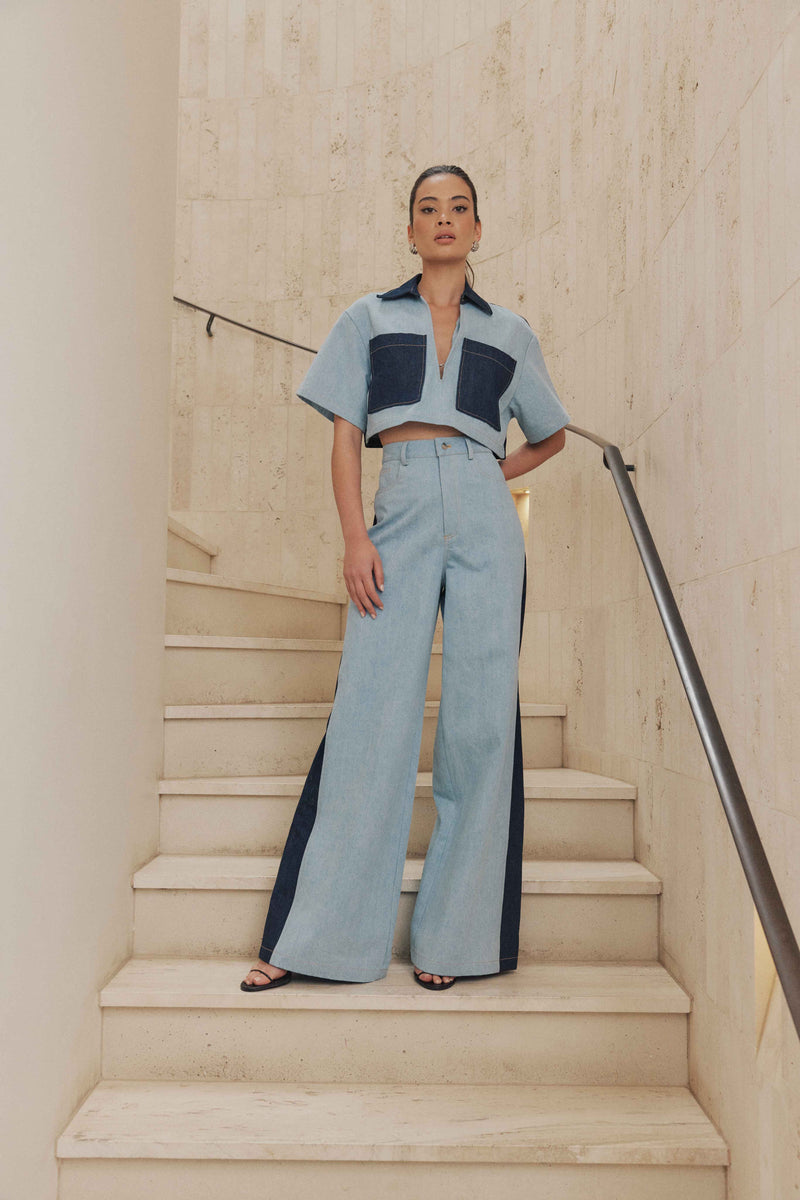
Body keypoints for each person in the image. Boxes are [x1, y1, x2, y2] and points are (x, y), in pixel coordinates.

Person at [241, 164, 569, 994]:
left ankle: (452, 945)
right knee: (370, 717)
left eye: (459, 208)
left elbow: (552, 434)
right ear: (411, 230)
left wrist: (492, 475)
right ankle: (316, 940)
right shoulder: (369, 318)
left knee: (480, 724)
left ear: (479, 228)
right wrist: (357, 537)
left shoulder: (511, 333)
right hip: (403, 504)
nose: (445, 220)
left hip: (487, 516)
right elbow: (346, 435)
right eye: (429, 209)